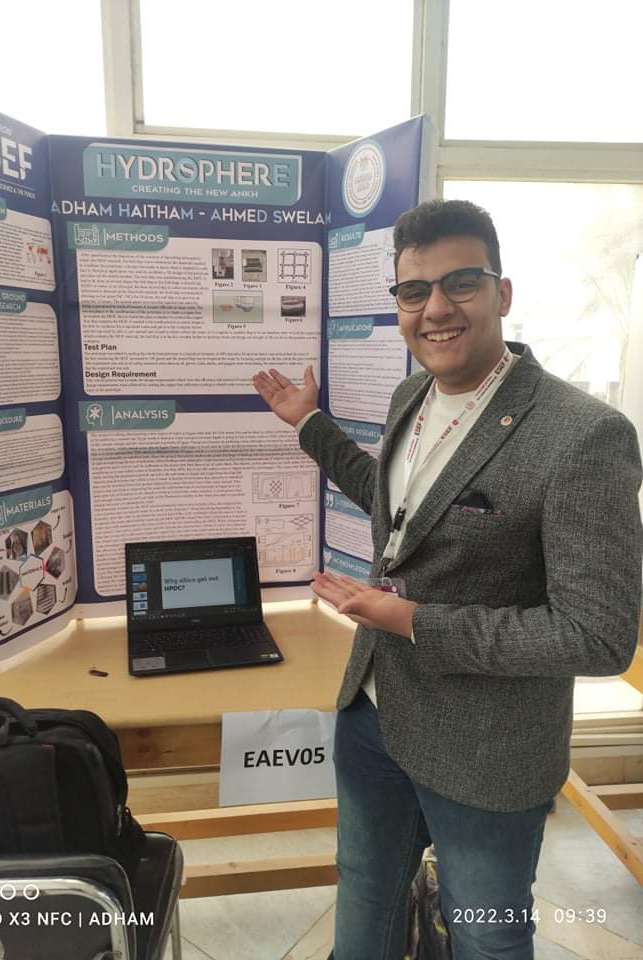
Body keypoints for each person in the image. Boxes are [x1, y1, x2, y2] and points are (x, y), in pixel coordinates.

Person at [252, 199, 643, 960]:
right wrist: (310, 426)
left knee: (485, 935)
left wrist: (412, 621)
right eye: (413, 290)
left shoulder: (583, 435)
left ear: (503, 292)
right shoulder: (413, 396)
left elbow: (597, 636)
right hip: (373, 711)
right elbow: (402, 510)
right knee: (365, 895)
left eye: (461, 283)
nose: (435, 308)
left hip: (487, 748)